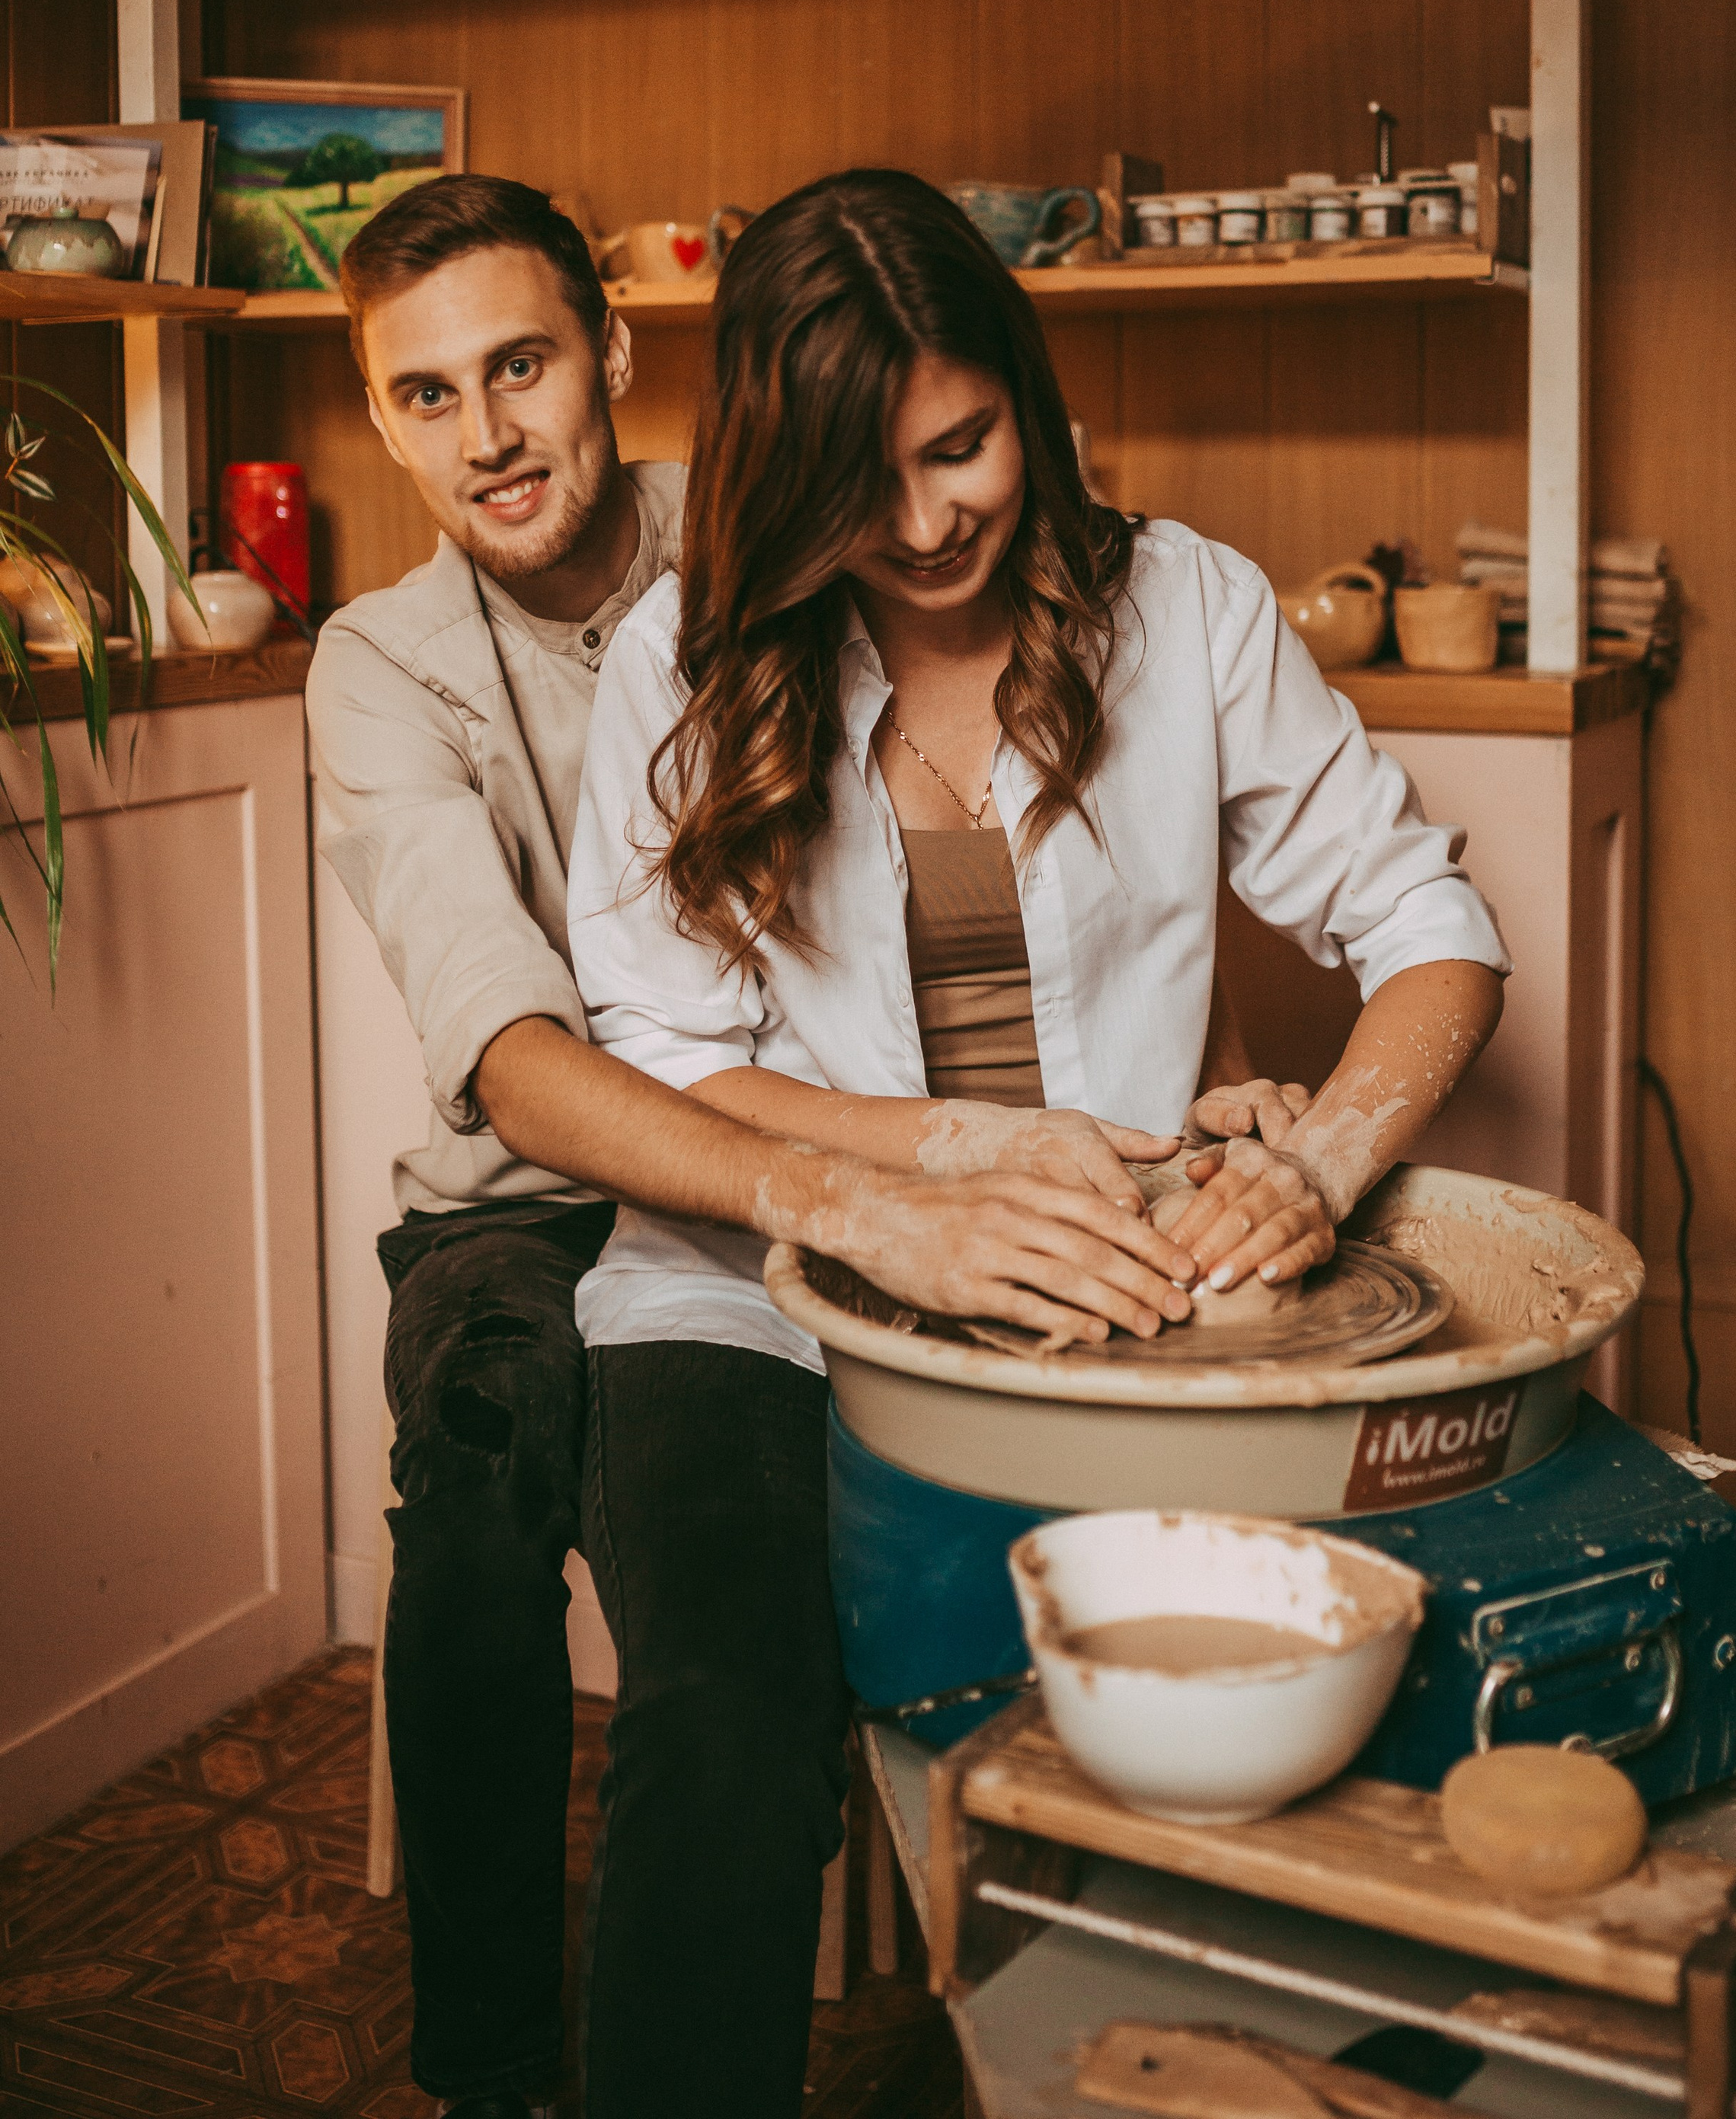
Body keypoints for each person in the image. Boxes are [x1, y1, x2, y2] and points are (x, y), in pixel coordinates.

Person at [564, 170, 1512, 2098]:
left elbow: (1427, 927)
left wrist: (1315, 1158)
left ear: (1026, 390)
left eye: (962, 447)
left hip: (1106, 1307)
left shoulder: (1187, 607)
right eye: (860, 482)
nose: (925, 525)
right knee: (723, 1727)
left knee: (1262, 1707)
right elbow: (660, 1057)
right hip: (749, 1300)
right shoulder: (681, 656)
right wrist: (933, 1167)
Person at [307, 173, 1198, 2119]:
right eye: (429, 395)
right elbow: (520, 1062)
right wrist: (860, 1192)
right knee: (473, 1500)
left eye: (522, 367)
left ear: (613, 356)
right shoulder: (377, 663)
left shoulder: (800, 515)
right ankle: (488, 2068)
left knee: (741, 1615)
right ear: (381, 420)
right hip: (525, 1208)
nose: (488, 435)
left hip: (783, 1169)